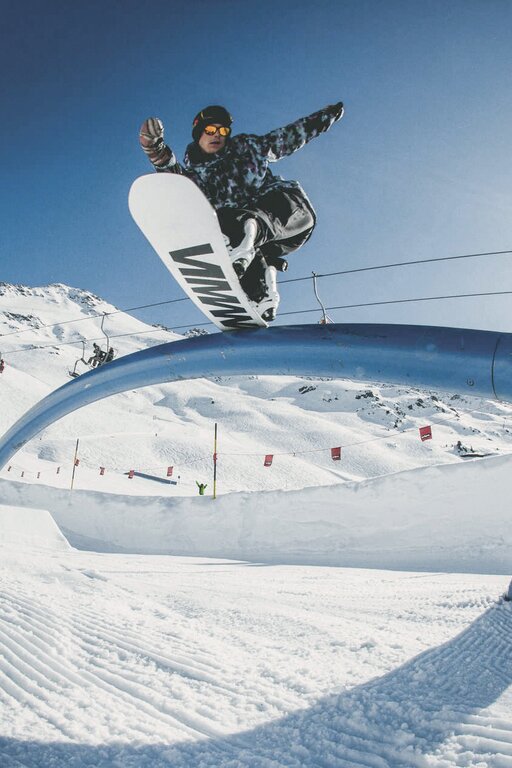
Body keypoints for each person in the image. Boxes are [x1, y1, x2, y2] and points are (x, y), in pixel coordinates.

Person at [139, 101, 344, 321]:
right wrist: (155, 150)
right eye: (210, 130)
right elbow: (175, 181)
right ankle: (262, 297)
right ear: (198, 134)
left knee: (243, 223)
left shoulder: (249, 147)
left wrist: (326, 117)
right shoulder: (195, 179)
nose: (217, 135)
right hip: (259, 242)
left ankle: (248, 237)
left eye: (223, 130)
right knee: (227, 227)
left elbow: (293, 135)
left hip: (290, 215)